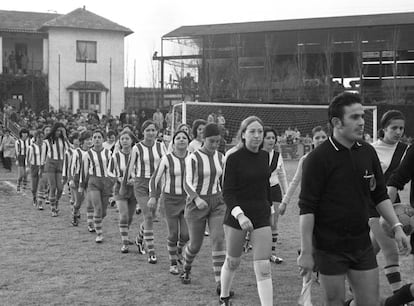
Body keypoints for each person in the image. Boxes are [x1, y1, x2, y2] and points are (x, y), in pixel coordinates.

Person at [298, 92, 413, 306]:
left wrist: (397, 227)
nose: (361, 122)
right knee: (334, 302)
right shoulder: (317, 159)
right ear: (336, 122)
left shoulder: (367, 153)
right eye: (354, 117)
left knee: (369, 302)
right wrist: (306, 251)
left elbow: (379, 195)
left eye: (362, 116)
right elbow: (307, 209)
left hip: (361, 245)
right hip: (328, 247)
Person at [220, 117, 273, 306]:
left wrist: (270, 208)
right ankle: (224, 297)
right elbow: (227, 192)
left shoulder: (265, 156)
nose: (257, 136)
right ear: (243, 134)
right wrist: (239, 214)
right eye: (252, 131)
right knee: (233, 261)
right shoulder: (233, 157)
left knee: (264, 266)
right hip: (237, 217)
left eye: (260, 132)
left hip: (261, 215)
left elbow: (265, 185)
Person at [181, 123, 227, 298]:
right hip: (196, 204)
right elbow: (186, 182)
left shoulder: (221, 157)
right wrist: (197, 198)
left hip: (217, 203)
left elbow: (223, 180)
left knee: (218, 239)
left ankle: (220, 283)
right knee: (195, 244)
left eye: (217, 141)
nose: (215, 145)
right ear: (203, 139)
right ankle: (186, 268)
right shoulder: (192, 158)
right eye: (211, 141)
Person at [369, 110, 408, 294]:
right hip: (374, 206)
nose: (398, 132)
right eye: (394, 128)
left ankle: (350, 277)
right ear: (383, 129)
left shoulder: (406, 150)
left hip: (395, 206)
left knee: (369, 251)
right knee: (391, 252)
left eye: (401, 128)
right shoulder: (369, 149)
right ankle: (400, 297)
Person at [149, 130, 190, 274]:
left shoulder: (192, 158)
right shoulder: (167, 159)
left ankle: (179, 251)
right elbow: (154, 179)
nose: (181, 140)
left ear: (188, 141)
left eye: (184, 138)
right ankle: (173, 263)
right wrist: (153, 196)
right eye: (178, 138)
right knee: (173, 234)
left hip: (187, 200)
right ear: (173, 142)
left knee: (186, 234)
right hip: (169, 200)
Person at [125, 120, 166, 263]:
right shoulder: (137, 148)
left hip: (156, 184)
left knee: (152, 216)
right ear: (143, 132)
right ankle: (151, 251)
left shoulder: (161, 146)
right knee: (148, 216)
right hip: (141, 184)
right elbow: (129, 167)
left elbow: (166, 165)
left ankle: (139, 239)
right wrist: (126, 183)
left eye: (153, 130)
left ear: (157, 132)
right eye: (147, 130)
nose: (150, 133)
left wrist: (166, 184)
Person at [279, 126, 328, 214]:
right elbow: (295, 181)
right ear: (312, 141)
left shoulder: (335, 158)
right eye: (317, 138)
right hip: (311, 204)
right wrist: (284, 202)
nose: (321, 140)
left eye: (323, 137)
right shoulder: (305, 160)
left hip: (331, 203)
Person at [79, 130, 113, 243]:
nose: (97, 139)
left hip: (106, 182)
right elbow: (83, 172)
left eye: (99, 137)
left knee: (103, 212)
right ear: (92, 140)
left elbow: (112, 169)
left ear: (103, 140)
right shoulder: (87, 154)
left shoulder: (108, 153)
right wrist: (81, 185)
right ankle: (99, 234)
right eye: (95, 137)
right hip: (93, 182)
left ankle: (95, 221)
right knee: (97, 208)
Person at [262, 127, 288, 264]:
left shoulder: (278, 156)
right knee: (260, 221)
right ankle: (250, 241)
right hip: (259, 191)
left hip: (274, 190)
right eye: (268, 138)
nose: (271, 140)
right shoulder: (257, 154)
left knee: (273, 222)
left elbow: (282, 175)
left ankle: (272, 253)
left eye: (273, 138)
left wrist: (286, 194)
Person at [108, 130, 137, 253]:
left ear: (132, 141)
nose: (124, 141)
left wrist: (135, 179)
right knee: (123, 215)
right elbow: (109, 171)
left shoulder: (137, 155)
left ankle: (126, 234)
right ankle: (125, 242)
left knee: (130, 217)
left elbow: (142, 170)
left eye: (127, 139)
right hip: (120, 189)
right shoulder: (116, 156)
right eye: (122, 139)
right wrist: (117, 178)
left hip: (134, 189)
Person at [42, 122, 70, 217]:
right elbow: (43, 155)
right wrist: (41, 166)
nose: (59, 132)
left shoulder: (63, 140)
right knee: (53, 186)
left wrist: (65, 136)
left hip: (60, 163)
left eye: (61, 131)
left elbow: (70, 149)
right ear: (54, 130)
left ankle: (56, 201)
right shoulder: (47, 141)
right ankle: (53, 207)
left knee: (60, 188)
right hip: (50, 163)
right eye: (57, 130)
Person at [70, 131, 94, 229]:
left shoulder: (93, 152)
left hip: (89, 179)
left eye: (90, 139)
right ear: (82, 141)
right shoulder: (77, 152)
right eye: (87, 139)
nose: (89, 141)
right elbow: (72, 167)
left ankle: (90, 223)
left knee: (90, 201)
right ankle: (75, 213)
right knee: (78, 202)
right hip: (77, 179)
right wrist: (71, 179)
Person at [26, 130, 47, 209]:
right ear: (35, 138)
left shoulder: (45, 146)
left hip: (42, 166)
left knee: (41, 185)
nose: (40, 139)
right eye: (39, 137)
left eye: (42, 137)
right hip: (34, 166)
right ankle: (34, 197)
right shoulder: (31, 147)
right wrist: (27, 167)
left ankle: (40, 202)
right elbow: (28, 158)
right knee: (34, 186)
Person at [15, 128, 30, 192]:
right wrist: (17, 160)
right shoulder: (18, 141)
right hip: (21, 157)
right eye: (23, 133)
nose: (24, 135)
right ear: (21, 134)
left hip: (28, 157)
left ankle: (24, 186)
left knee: (26, 173)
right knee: (21, 174)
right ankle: (18, 184)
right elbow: (16, 151)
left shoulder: (29, 141)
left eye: (26, 133)